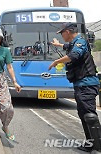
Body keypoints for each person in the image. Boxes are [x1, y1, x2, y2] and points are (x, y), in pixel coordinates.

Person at [48, 23, 100, 152]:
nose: (61, 36)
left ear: (68, 31)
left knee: (90, 116)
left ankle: (98, 148)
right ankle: (90, 144)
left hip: (87, 84)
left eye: (62, 33)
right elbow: (67, 46)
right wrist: (58, 45)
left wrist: (56, 62)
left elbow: (74, 55)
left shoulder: (80, 42)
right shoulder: (74, 43)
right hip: (80, 84)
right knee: (83, 115)